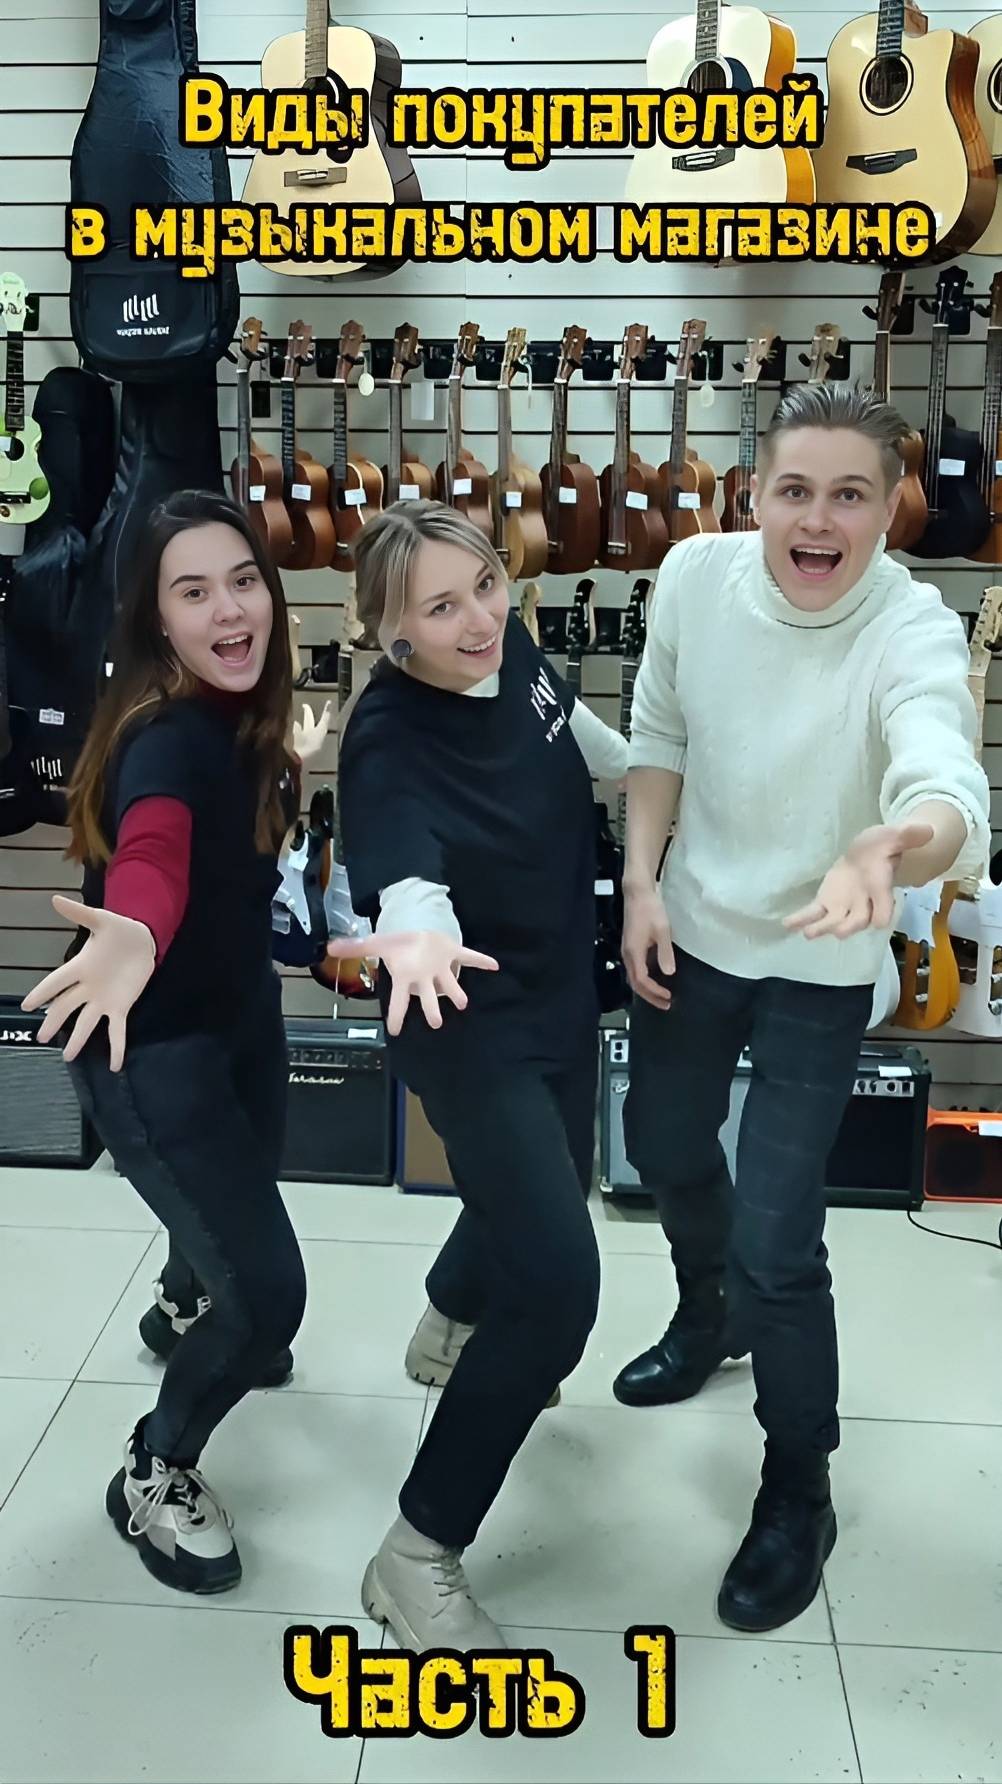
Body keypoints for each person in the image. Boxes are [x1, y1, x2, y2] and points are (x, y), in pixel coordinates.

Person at [615, 383, 991, 1634]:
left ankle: (797, 1484)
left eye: (849, 495)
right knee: (663, 1143)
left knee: (782, 1238)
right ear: (753, 494)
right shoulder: (692, 576)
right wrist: (641, 883)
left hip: (825, 963)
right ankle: (706, 1304)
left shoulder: (912, 625)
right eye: (794, 490)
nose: (818, 521)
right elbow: (658, 732)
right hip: (696, 927)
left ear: (892, 507)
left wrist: (897, 842)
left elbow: (943, 770)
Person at [328, 499, 627, 1651]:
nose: (479, 619)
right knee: (557, 1288)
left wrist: (666, 777)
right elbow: (404, 875)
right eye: (442, 607)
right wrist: (415, 931)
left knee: (542, 1187)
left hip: (559, 994)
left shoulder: (512, 649)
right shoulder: (388, 740)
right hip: (465, 1018)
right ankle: (414, 1553)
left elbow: (571, 731)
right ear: (390, 630)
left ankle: (450, 1323)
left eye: (487, 585)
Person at [22, 490, 309, 1596]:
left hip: (238, 1017)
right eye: (194, 592)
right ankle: (155, 1466)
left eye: (243, 581)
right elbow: (152, 850)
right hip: (151, 1050)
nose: (229, 610)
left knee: (232, 1232)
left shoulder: (244, 715)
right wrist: (135, 925)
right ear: (156, 619)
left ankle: (185, 1302)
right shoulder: (168, 740)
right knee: (269, 1301)